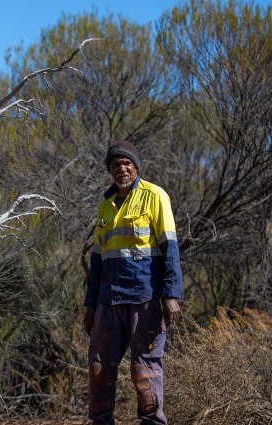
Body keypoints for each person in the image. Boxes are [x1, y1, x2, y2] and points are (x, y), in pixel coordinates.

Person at [83, 140, 183, 425]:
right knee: (99, 368)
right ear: (110, 171)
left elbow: (170, 248)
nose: (121, 169)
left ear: (136, 167)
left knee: (145, 370)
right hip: (108, 300)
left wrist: (171, 294)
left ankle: (152, 422)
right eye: (115, 165)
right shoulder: (105, 204)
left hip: (145, 298)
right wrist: (90, 305)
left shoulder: (155, 196)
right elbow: (98, 261)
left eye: (126, 163)